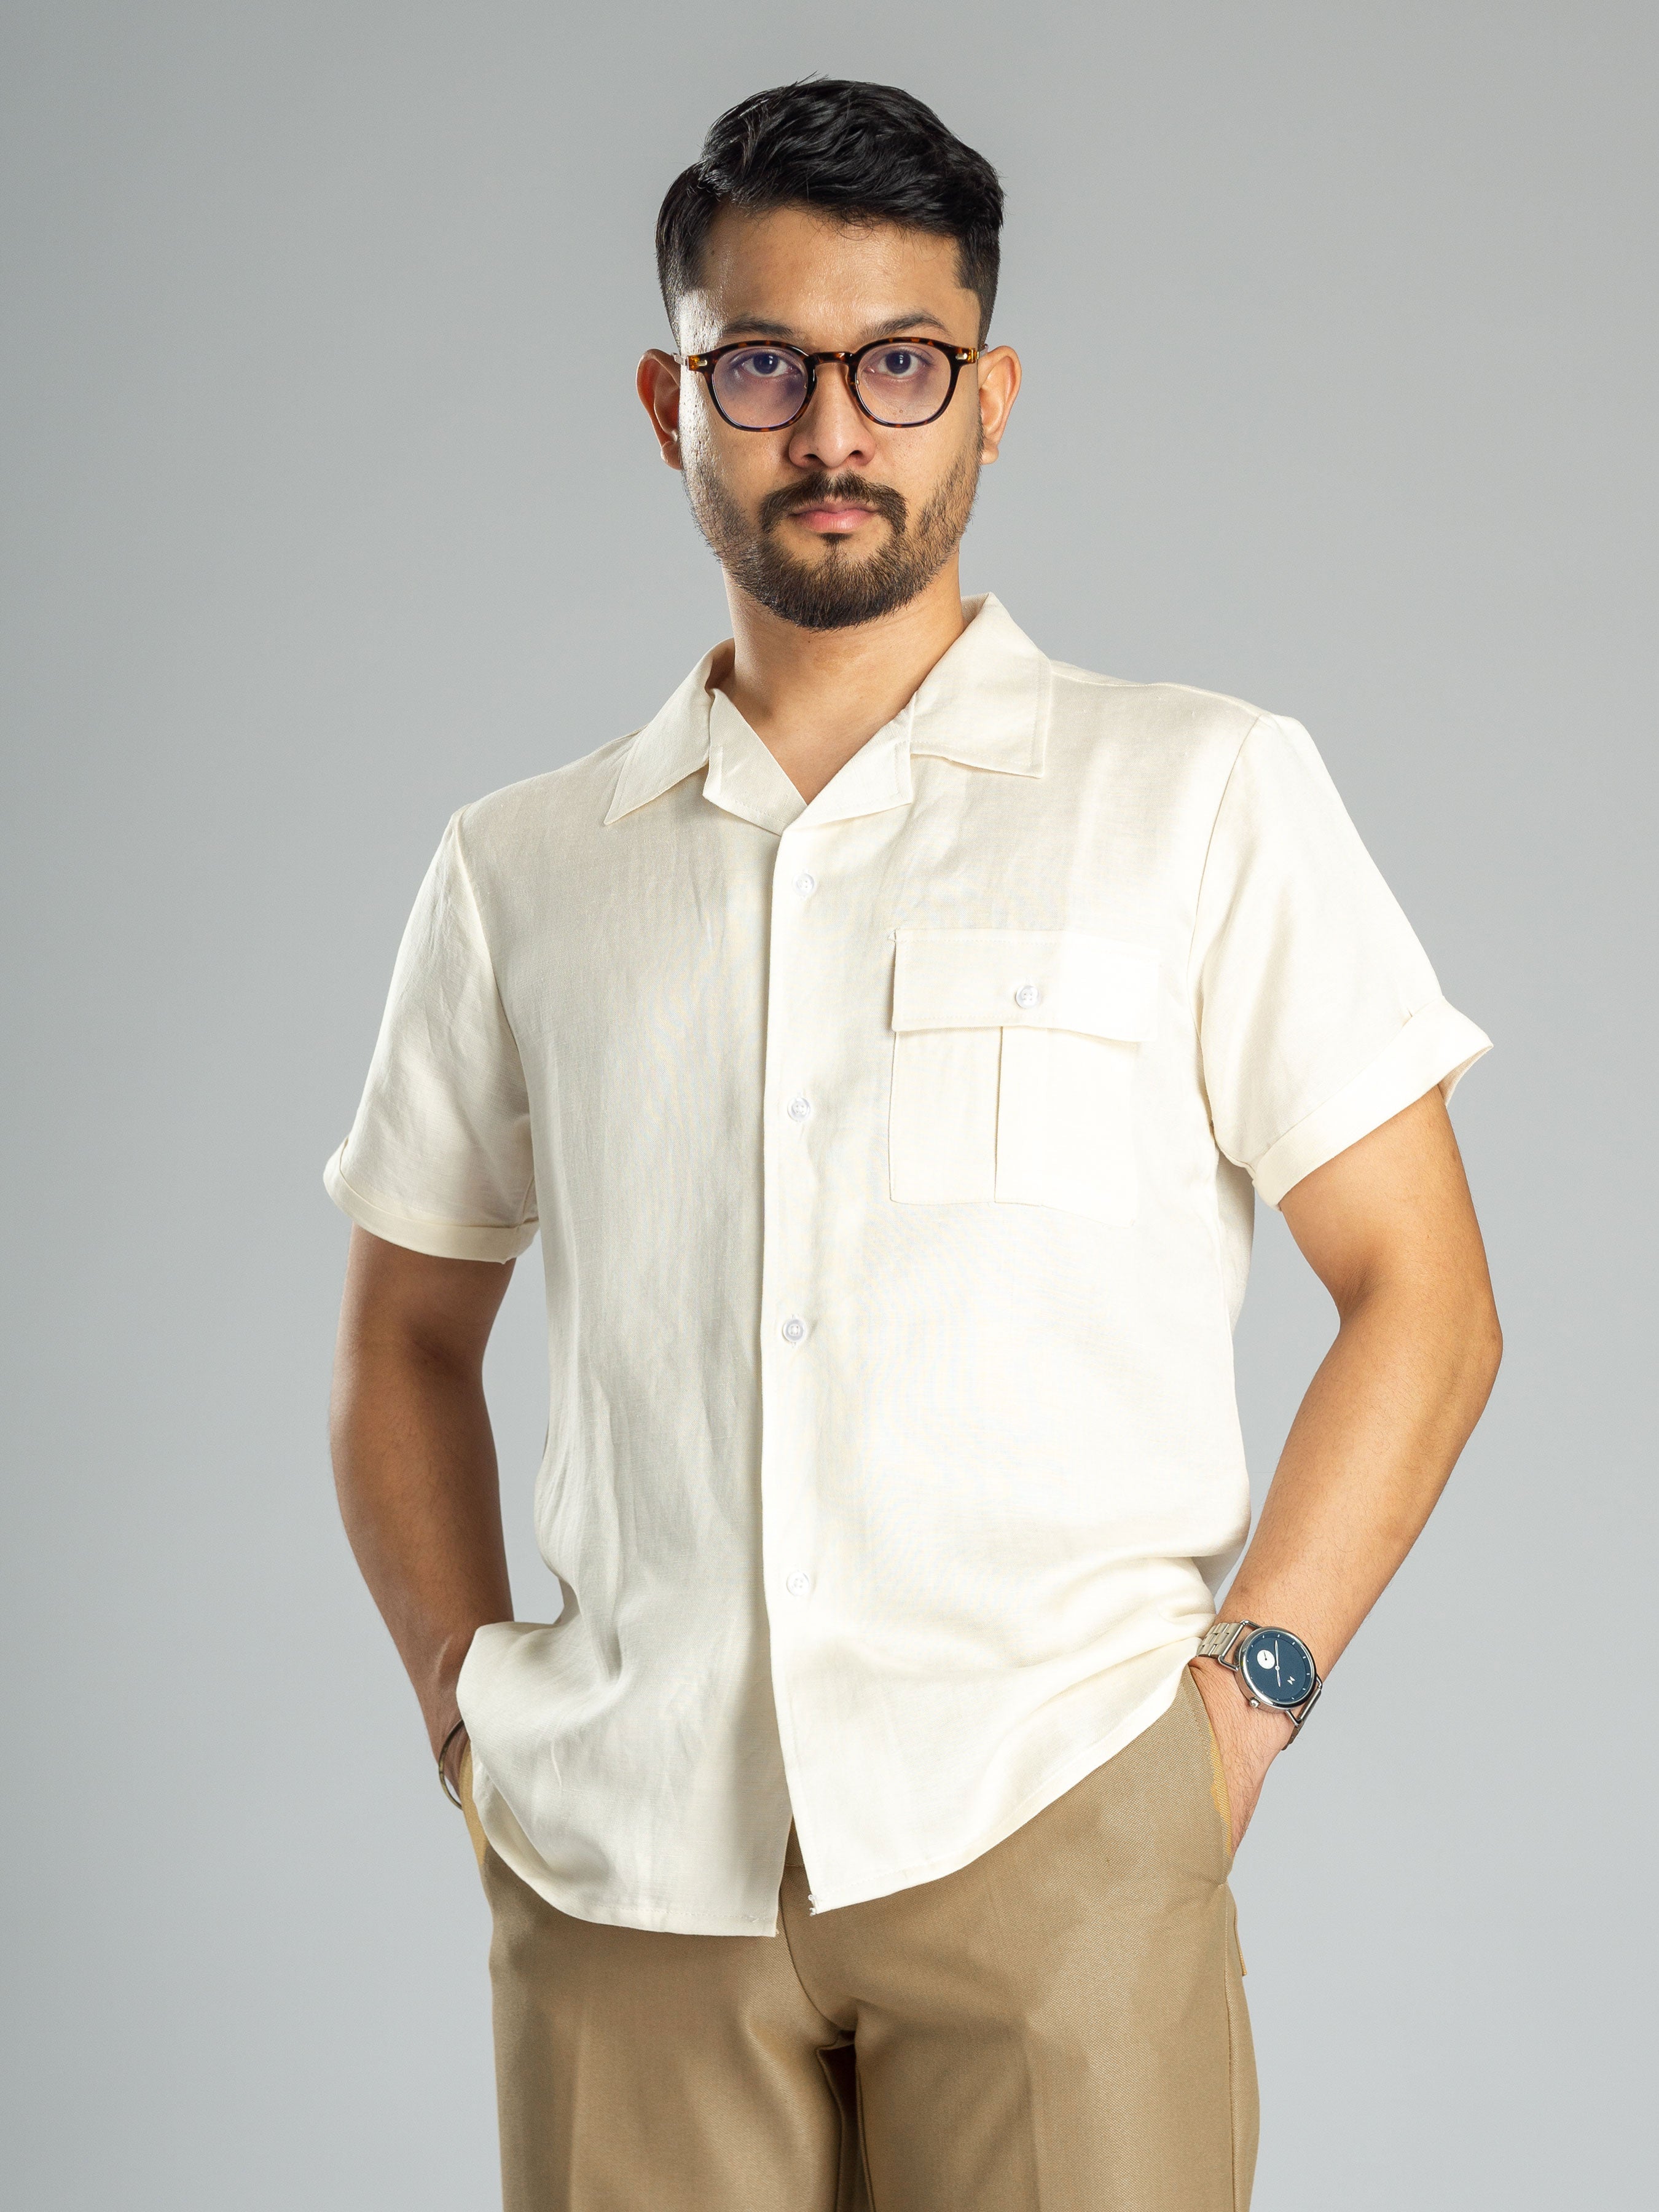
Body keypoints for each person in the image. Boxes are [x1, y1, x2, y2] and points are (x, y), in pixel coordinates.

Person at [324, 77, 1500, 2212]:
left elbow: (1423, 1295)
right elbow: (402, 1337)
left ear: (988, 397)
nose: (831, 431)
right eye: (761, 367)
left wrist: (1235, 1711)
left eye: (898, 365)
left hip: (1054, 1825)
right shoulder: (522, 870)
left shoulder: (1196, 797)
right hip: (627, 1872)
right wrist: (466, 1720)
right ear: (671, 403)